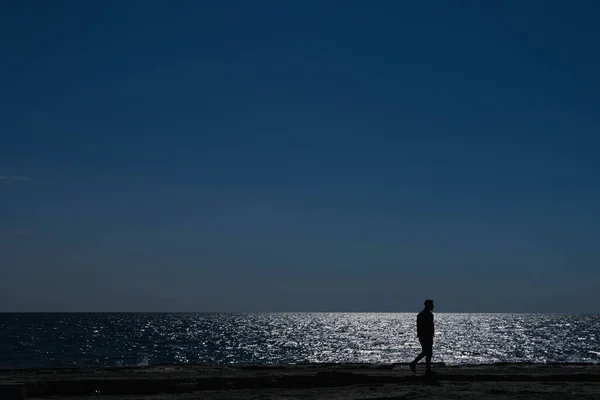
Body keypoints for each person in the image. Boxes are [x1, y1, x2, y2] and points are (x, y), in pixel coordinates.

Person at [410, 299, 435, 374]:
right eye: (431, 305)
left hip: (425, 336)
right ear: (428, 305)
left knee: (427, 352)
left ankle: (427, 369)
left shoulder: (422, 314)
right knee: (427, 352)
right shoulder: (426, 315)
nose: (433, 306)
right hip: (426, 336)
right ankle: (414, 363)